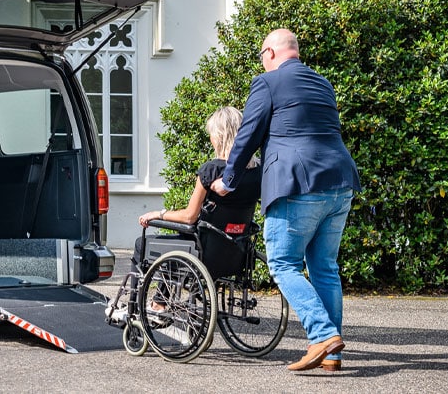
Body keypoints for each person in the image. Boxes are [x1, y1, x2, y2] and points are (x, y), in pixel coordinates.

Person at [212, 29, 360, 372]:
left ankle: (323, 336)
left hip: (297, 185)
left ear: (271, 53)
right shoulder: (323, 83)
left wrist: (228, 180)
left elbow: (247, 134)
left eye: (263, 56)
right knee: (324, 267)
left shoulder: (268, 82)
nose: (262, 62)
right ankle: (331, 355)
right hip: (339, 182)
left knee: (283, 264)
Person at [134, 106, 262, 262]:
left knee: (141, 244)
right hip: (237, 254)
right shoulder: (257, 170)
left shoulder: (211, 170)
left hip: (204, 252)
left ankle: (137, 286)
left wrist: (158, 214)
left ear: (219, 136)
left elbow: (189, 217)